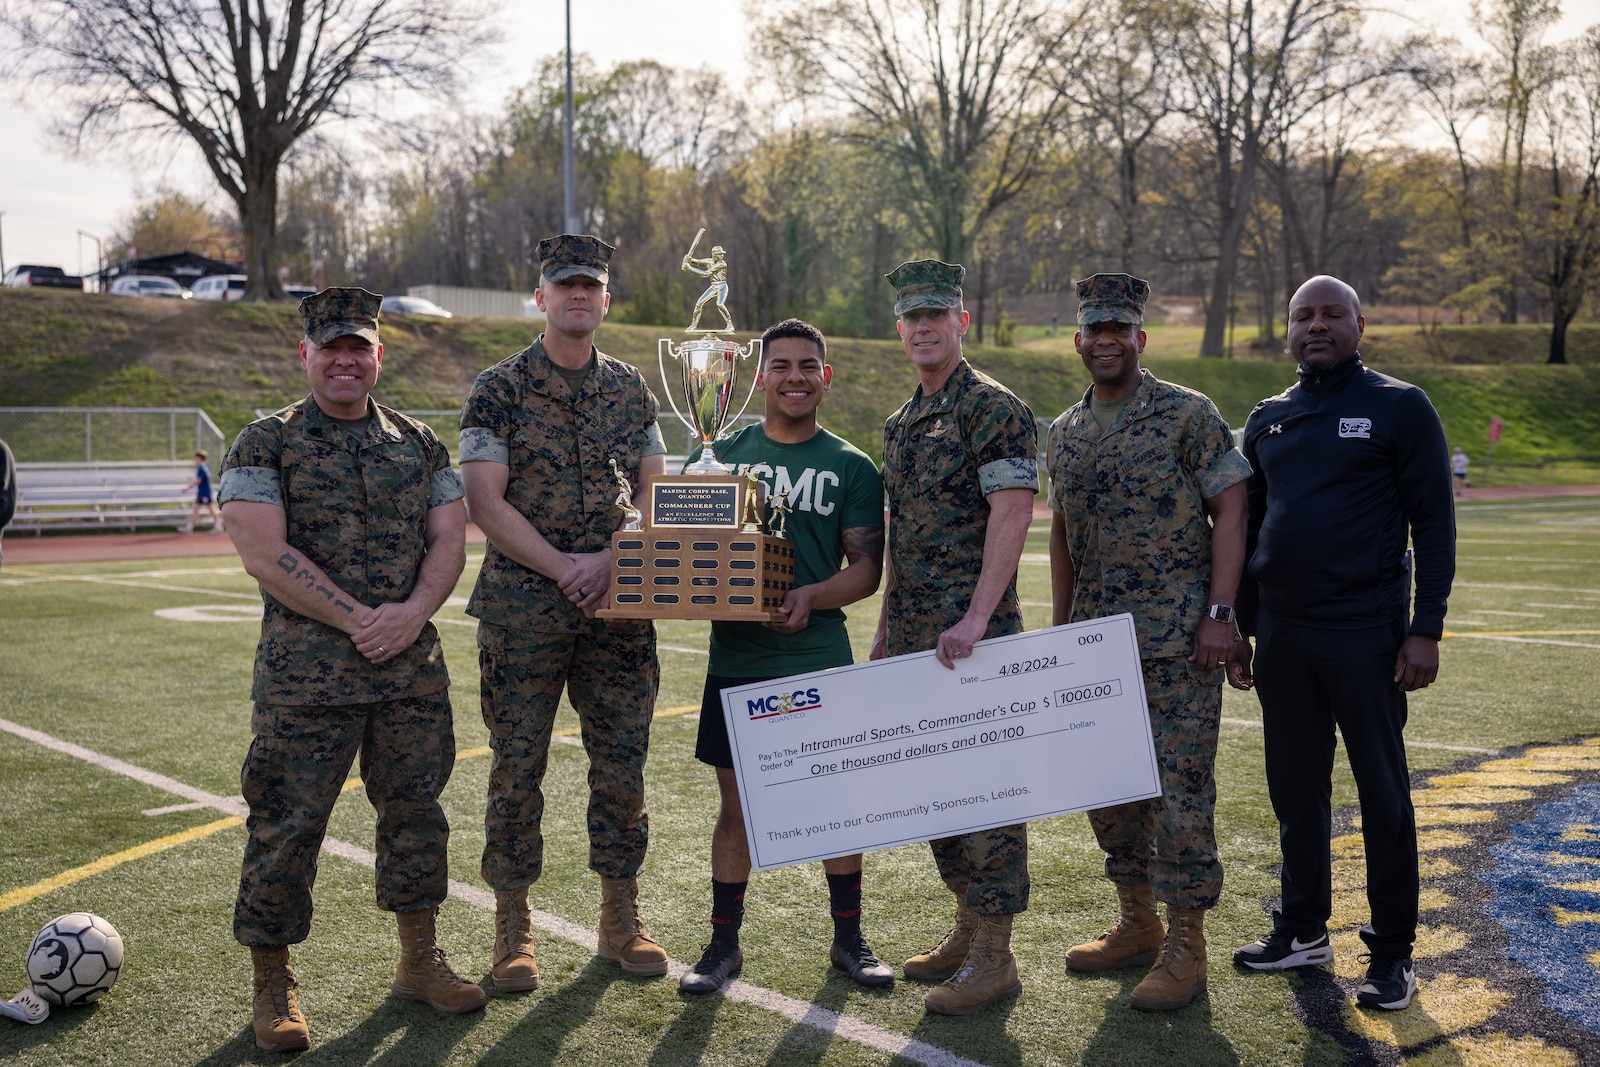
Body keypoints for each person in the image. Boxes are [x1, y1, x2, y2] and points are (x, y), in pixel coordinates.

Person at [219, 287, 482, 1053]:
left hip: (408, 672)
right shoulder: (264, 443)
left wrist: (408, 613)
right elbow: (264, 551)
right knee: (287, 824)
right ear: (306, 355)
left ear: (377, 356)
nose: (344, 359)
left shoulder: (420, 443)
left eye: (358, 346)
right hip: (308, 679)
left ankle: (418, 960)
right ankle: (273, 981)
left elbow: (449, 543)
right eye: (330, 347)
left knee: (416, 816)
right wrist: (358, 617)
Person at [1228, 275, 1456, 1012]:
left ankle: (1392, 953)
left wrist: (1426, 627)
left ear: (1360, 324)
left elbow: (1435, 523)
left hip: (1367, 630)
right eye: (1303, 314)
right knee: (1295, 790)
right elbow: (1252, 529)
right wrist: (1239, 625)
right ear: (1288, 327)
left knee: (1382, 793)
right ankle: (1301, 928)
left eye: (1332, 314)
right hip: (1285, 636)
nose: (1316, 325)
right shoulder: (1268, 417)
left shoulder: (1399, 404)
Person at [459, 234, 670, 992]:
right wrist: (565, 567)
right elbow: (485, 498)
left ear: (606, 300)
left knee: (623, 765)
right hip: (524, 610)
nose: (578, 295)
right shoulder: (499, 387)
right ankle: (512, 928)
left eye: (591, 285)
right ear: (540, 297)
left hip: (621, 608)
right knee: (517, 767)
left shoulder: (632, 387)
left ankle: (621, 915)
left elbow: (653, 485)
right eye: (564, 284)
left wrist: (614, 559)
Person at [1047, 273, 1251, 1011]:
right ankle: (1137, 921)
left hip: (1176, 640)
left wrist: (1223, 614)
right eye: (1094, 329)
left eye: (1118, 329)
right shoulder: (1064, 432)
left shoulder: (1186, 414)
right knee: (1108, 791)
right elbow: (1062, 534)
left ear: (1140, 337)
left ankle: (1185, 943)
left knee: (1179, 795)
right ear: (1079, 340)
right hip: (1095, 643)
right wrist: (1063, 630)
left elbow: (1232, 508)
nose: (1106, 340)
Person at [676, 318, 890, 996]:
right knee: (737, 810)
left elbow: (866, 569)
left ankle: (849, 938)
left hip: (818, 657)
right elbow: (684, 551)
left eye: (808, 365)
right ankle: (722, 944)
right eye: (782, 366)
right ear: (759, 378)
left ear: (826, 377)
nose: (795, 376)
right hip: (736, 660)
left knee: (836, 801)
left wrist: (810, 595)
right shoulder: (717, 454)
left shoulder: (852, 465)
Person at [872, 258, 1038, 1015]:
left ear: (962, 321)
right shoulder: (901, 422)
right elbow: (901, 538)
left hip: (975, 638)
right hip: (913, 638)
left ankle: (997, 953)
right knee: (933, 790)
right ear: (899, 327)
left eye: (936, 313)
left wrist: (975, 616)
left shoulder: (993, 407)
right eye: (911, 316)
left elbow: (1011, 512)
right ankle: (968, 922)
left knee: (988, 790)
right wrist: (881, 632)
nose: (923, 326)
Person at [182, 449, 224, 533]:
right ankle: (189, 527)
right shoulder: (203, 468)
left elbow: (198, 481)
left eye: (196, 458)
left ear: (199, 458)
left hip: (205, 493)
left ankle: (218, 526)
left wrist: (187, 488)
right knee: (197, 509)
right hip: (202, 492)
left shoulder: (202, 468)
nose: (195, 460)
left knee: (211, 509)